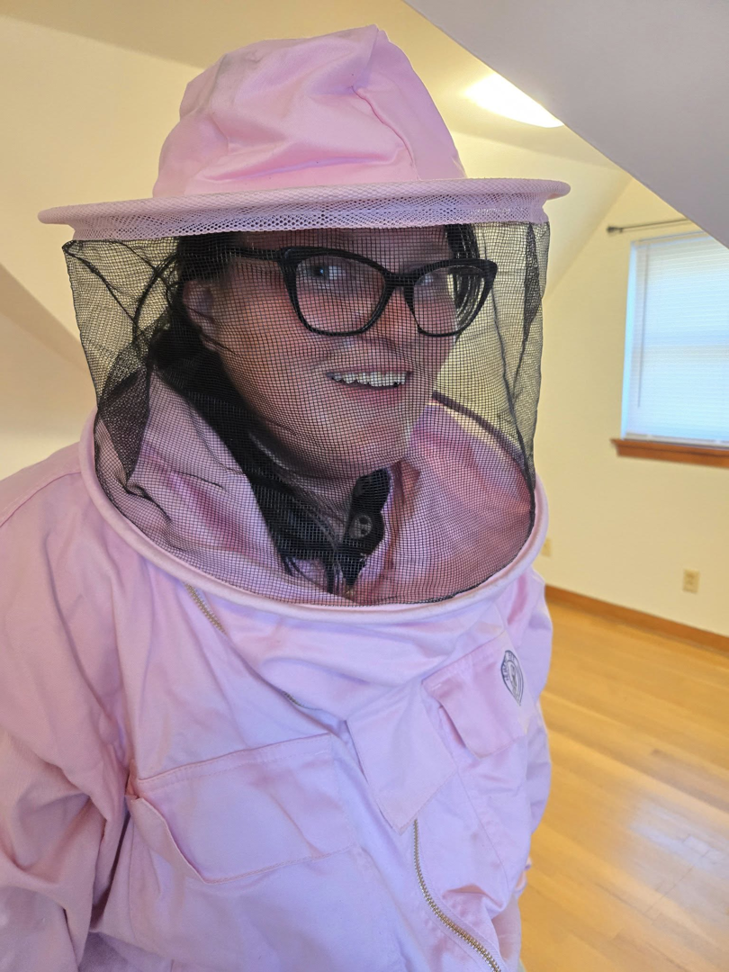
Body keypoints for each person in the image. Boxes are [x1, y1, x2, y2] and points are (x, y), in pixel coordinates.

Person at [0, 25, 568, 972]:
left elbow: (499, 822)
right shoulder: (39, 570)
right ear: (204, 297)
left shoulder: (478, 525)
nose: (402, 331)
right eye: (328, 271)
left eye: (434, 279)